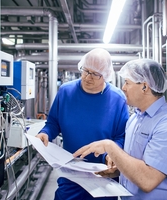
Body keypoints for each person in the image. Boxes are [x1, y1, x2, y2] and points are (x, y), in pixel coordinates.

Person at [73, 59, 167, 200]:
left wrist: (109, 146)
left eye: (127, 83)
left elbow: (148, 180)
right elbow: (138, 164)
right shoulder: (135, 119)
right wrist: (117, 171)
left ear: (144, 87)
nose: (123, 88)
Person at [36, 48, 129, 200]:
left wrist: (109, 156)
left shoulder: (117, 99)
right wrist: (45, 133)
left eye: (95, 74)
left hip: (104, 175)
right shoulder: (66, 92)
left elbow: (121, 136)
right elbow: (53, 122)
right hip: (71, 173)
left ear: (105, 75)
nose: (87, 77)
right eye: (85, 70)